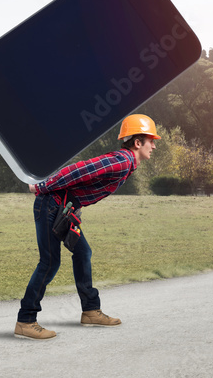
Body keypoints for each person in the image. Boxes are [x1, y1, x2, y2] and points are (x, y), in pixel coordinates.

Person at [13, 113, 160, 340]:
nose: (154, 146)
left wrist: (76, 207)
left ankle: (90, 310)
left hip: (63, 208)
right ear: (138, 142)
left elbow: (85, 185)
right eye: (152, 141)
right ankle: (26, 320)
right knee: (49, 262)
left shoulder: (127, 164)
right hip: (50, 203)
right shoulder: (122, 161)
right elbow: (78, 171)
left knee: (83, 252)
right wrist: (41, 187)